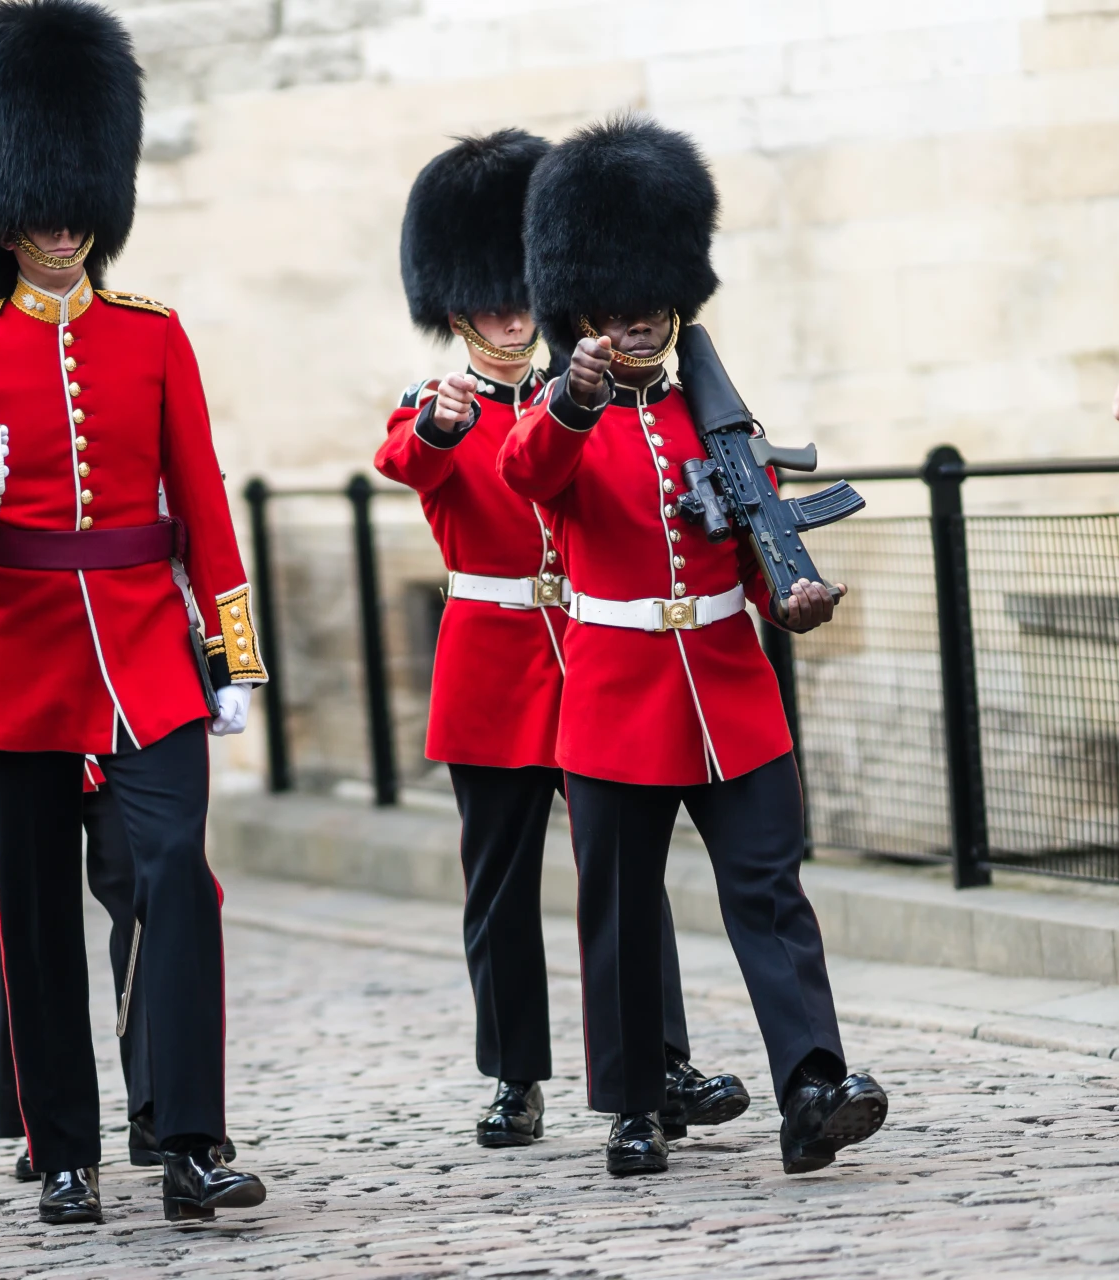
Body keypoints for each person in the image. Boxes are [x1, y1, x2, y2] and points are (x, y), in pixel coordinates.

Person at [0, 0, 266, 1226]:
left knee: (174, 874)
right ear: (3, 207)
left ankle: (191, 1137)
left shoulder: (154, 338)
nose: (58, 228)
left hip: (149, 657)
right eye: (38, 206)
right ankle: (64, 1148)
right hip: (20, 654)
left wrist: (234, 650)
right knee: (42, 921)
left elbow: (203, 500)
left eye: (75, 206)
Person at [501, 115, 888, 1178]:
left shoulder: (709, 419)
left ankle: (812, 1084)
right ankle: (634, 1100)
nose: (640, 324)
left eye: (654, 307)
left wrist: (790, 596)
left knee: (771, 890)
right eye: (620, 311)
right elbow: (524, 476)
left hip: (730, 687)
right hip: (619, 693)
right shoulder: (560, 414)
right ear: (583, 310)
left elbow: (751, 535)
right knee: (621, 911)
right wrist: (572, 398)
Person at [377, 130, 749, 1151]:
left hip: (594, 657)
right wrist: (445, 426)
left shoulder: (576, 397)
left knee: (623, 876)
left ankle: (660, 1058)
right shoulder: (441, 402)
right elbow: (407, 456)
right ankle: (515, 1072)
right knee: (500, 886)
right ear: (454, 313)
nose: (508, 319)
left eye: (519, 299)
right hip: (497, 662)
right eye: (487, 305)